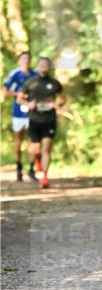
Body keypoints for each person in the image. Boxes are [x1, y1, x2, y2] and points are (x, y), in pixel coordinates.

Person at [21, 56, 65, 190]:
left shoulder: (54, 83)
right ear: (37, 66)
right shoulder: (30, 83)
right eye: (41, 65)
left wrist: (57, 104)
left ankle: (44, 177)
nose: (44, 67)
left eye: (46, 65)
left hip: (49, 119)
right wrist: (29, 104)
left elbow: (63, 98)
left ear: (49, 67)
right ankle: (37, 161)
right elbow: (19, 100)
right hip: (34, 119)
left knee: (47, 147)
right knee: (35, 149)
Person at [2, 50, 38, 182]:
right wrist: (19, 94)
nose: (26, 61)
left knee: (33, 140)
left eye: (28, 58)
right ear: (19, 60)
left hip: (33, 112)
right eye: (23, 58)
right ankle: (18, 167)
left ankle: (32, 169)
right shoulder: (14, 74)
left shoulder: (35, 75)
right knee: (18, 140)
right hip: (18, 111)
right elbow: (5, 92)